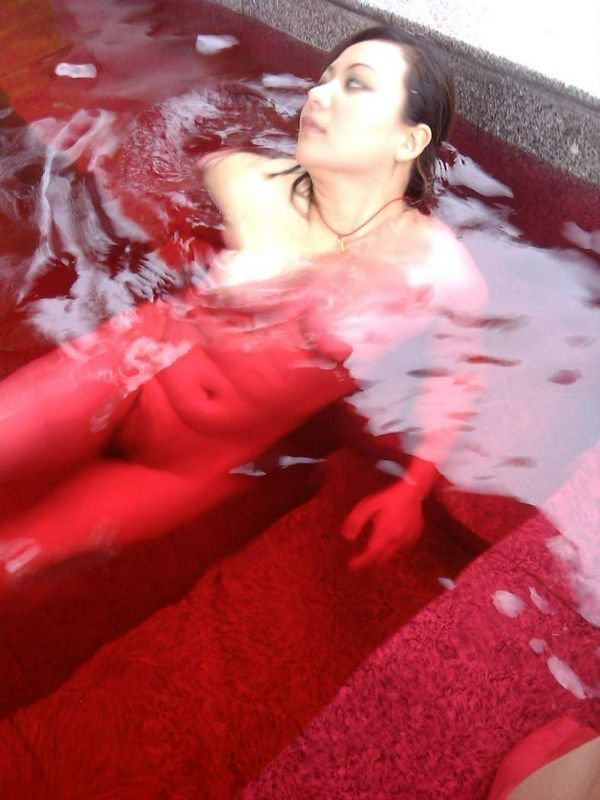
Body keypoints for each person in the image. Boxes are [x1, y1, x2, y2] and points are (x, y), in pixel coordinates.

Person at [0, 25, 486, 583]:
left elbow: (459, 377)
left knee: (15, 559)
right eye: (324, 79)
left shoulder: (436, 269)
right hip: (121, 374)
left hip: (195, 464)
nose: (319, 94)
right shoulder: (249, 180)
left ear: (409, 140)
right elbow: (141, 181)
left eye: (355, 84)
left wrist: (412, 490)